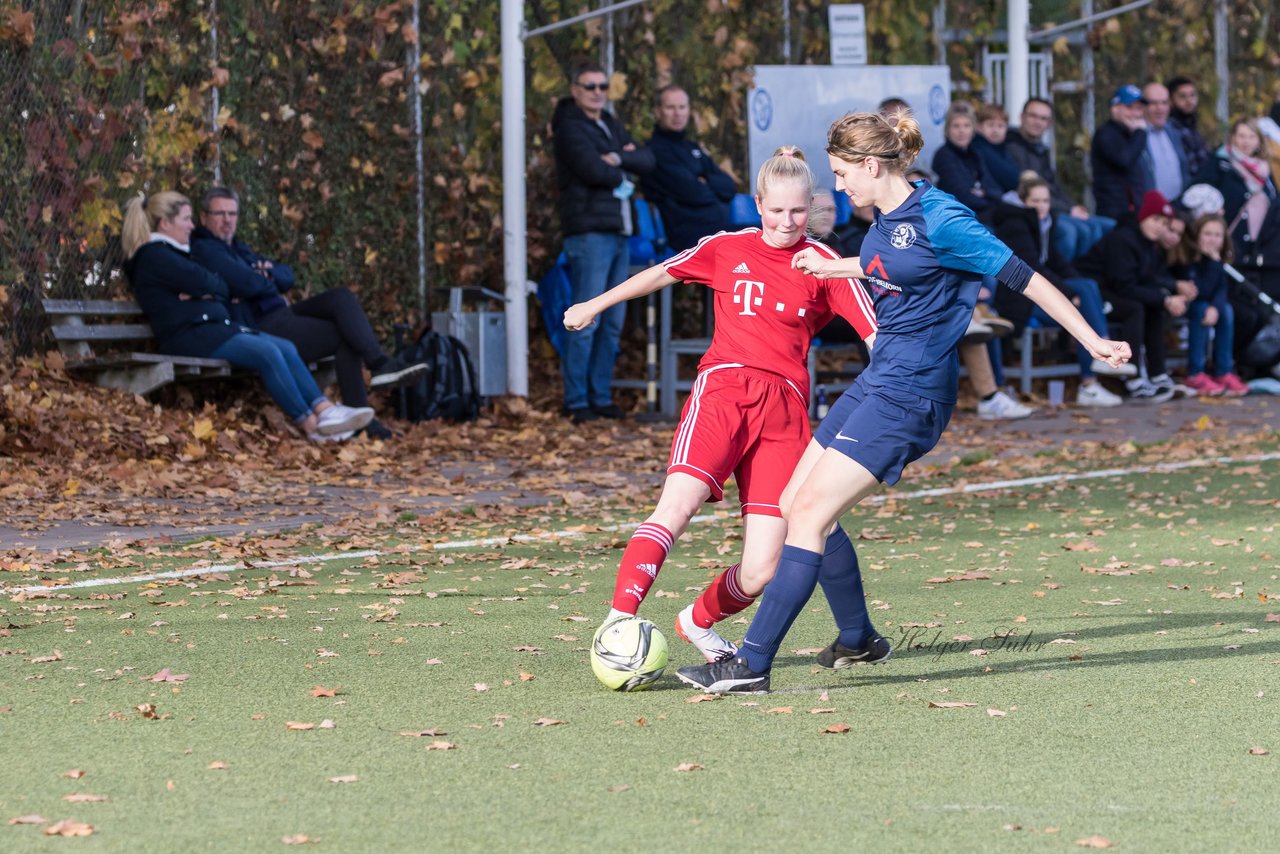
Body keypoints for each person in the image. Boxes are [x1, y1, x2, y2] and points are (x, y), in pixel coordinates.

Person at [676, 110, 1130, 693]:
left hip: (913, 393)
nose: (838, 187)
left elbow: (1027, 278)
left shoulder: (944, 218)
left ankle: (751, 664)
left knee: (810, 515)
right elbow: (887, 265)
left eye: (842, 174)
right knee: (793, 502)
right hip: (879, 378)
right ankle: (859, 638)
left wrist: (1094, 340)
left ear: (871, 165)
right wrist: (831, 263)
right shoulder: (885, 214)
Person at [564, 147, 877, 663]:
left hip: (785, 413)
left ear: (812, 207)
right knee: (677, 507)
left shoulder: (825, 264)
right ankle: (619, 622)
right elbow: (661, 273)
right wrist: (595, 304)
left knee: (763, 567)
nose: (786, 222)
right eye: (775, 211)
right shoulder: (726, 246)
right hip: (724, 393)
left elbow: (875, 334)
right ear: (757, 204)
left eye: (798, 212)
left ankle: (698, 622)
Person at [121, 192, 373, 441]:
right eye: (186, 219)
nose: (191, 226)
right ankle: (311, 425)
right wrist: (207, 290)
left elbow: (218, 287)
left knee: (284, 346)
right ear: (166, 223)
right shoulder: (155, 255)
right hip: (189, 335)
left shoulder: (174, 255)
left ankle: (325, 411)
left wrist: (205, 291)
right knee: (268, 353)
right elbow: (212, 283)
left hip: (210, 329)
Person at [190, 187, 425, 440]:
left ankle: (379, 366)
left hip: (281, 313)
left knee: (341, 297)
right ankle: (365, 408)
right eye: (220, 214)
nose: (228, 220)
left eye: (232, 214)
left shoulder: (239, 248)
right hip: (260, 326)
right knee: (346, 335)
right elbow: (247, 283)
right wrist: (263, 277)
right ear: (204, 218)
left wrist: (266, 275)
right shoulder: (206, 248)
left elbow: (287, 275)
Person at [552, 63, 655, 423]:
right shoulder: (568, 127)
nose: (597, 91)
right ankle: (577, 401)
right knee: (586, 318)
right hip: (590, 232)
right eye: (590, 86)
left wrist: (619, 158)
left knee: (612, 321)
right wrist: (618, 168)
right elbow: (589, 168)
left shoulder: (608, 123)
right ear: (575, 89)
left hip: (618, 232)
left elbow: (646, 159)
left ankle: (599, 396)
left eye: (602, 86)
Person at [991, 172, 1134, 407]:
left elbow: (1054, 260)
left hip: (1038, 295)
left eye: (1045, 201)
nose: (1041, 206)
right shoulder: (1015, 223)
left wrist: (1074, 287)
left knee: (1086, 286)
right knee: (1082, 295)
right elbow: (1031, 268)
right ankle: (1091, 376)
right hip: (1021, 301)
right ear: (1023, 201)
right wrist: (1068, 294)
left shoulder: (1045, 222)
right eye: (1035, 201)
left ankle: (1098, 357)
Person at [1075, 190, 1193, 403]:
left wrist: (1165, 297)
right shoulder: (1123, 239)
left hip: (1118, 292)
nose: (1159, 226)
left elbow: (1148, 281)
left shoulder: (1150, 246)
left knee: (1153, 306)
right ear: (1143, 216)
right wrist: (1165, 298)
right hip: (1095, 294)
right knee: (1135, 307)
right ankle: (1133, 377)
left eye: (1165, 223)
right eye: (1156, 219)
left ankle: (1158, 374)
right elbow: (1123, 285)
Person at [1006, 97, 1114, 260]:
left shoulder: (1041, 150)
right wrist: (1069, 210)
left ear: (1048, 124)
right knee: (1075, 231)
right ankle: (1061, 280)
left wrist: (1073, 206)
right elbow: (1029, 191)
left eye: (1043, 118)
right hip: (1038, 210)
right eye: (1033, 116)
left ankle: (1087, 277)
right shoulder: (1011, 147)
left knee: (1108, 227)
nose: (1038, 122)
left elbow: (1053, 187)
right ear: (1022, 117)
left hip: (1055, 207)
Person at [640, 85, 736, 253]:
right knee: (760, 239)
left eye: (682, 107)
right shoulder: (653, 151)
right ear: (658, 111)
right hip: (685, 235)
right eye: (670, 107)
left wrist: (706, 181)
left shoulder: (692, 148)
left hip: (716, 229)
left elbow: (729, 187)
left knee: (768, 234)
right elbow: (694, 193)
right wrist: (706, 184)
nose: (677, 113)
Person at [1176, 214, 1248, 396]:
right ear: (1197, 235)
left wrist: (1215, 307)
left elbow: (1222, 289)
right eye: (1207, 234)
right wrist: (1215, 264)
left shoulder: (1216, 260)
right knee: (1201, 309)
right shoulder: (1186, 260)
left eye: (1217, 235)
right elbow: (1201, 291)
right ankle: (1195, 373)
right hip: (1184, 305)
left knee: (1226, 310)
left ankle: (1223, 371)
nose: (1213, 239)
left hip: (1208, 306)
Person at [1195, 118, 1277, 265]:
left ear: (1259, 141)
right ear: (1233, 138)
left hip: (1257, 250)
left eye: (1252, 137)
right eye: (1242, 136)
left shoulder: (1266, 171)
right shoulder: (1220, 164)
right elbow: (1199, 192)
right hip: (1227, 246)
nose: (1246, 142)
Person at [931, 102, 1002, 221]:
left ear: (973, 129)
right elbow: (962, 196)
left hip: (982, 213)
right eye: (956, 126)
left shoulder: (975, 154)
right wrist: (988, 199)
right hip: (959, 217)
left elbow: (995, 190)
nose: (962, 131)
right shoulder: (944, 155)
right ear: (947, 130)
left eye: (966, 125)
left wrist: (984, 192)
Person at [1091, 85, 1150, 219]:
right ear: (1115, 109)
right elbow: (1124, 160)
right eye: (1129, 108)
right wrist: (1140, 133)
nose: (1136, 114)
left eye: (1139, 108)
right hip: (1114, 211)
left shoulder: (1130, 134)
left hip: (1132, 209)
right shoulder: (1106, 134)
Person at [1142, 82, 1192, 205]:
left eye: (1164, 103)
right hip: (1150, 212)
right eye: (1153, 103)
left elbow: (1184, 170)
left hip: (1177, 209)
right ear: (1143, 106)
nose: (1160, 108)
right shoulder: (1136, 136)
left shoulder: (1175, 132)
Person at [1166, 75, 1212, 177]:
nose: (1189, 101)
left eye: (1192, 95)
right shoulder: (1170, 130)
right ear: (1171, 100)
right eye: (1182, 96)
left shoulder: (1192, 126)